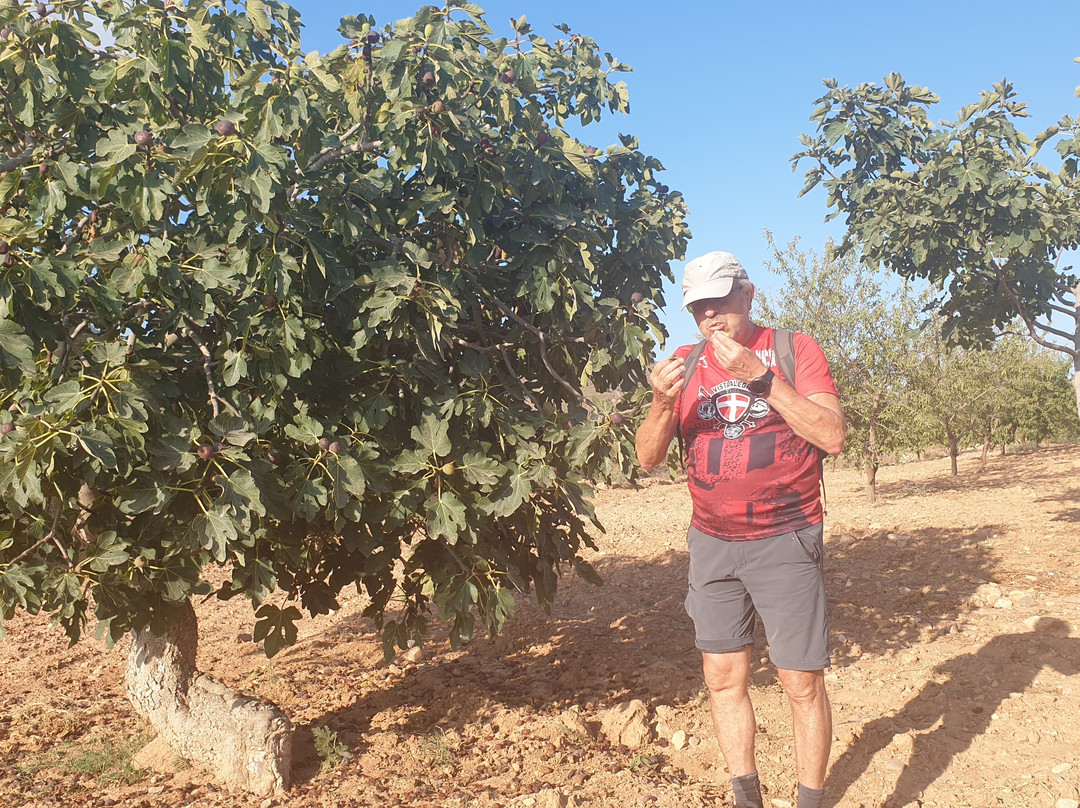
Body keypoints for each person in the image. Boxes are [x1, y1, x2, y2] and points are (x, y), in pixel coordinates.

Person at [635, 251, 845, 808]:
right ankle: (746, 798)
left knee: (801, 682)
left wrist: (762, 380)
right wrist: (660, 403)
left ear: (748, 296)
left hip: (785, 537)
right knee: (723, 678)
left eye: (721, 302)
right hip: (712, 543)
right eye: (699, 308)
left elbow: (832, 435)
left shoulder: (794, 350)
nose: (711, 317)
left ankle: (810, 801)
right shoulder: (684, 362)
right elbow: (647, 458)